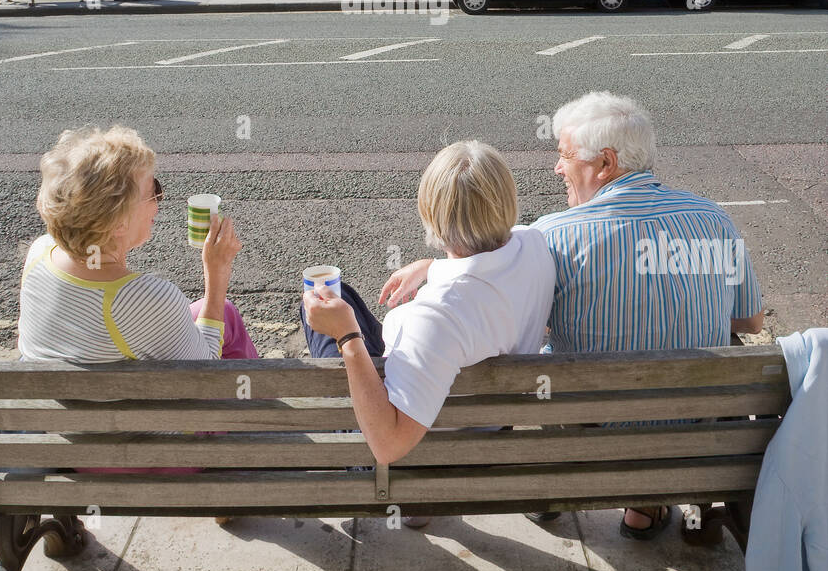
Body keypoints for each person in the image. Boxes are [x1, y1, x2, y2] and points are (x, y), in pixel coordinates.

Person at [386, 94, 764, 542]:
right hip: (700, 441)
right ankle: (643, 509)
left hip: (593, 439)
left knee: (552, 359)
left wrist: (432, 267)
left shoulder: (556, 237)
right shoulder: (713, 220)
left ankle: (552, 496)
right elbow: (751, 322)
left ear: (605, 163)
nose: (557, 168)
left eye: (564, 156)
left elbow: (502, 298)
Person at [301, 140, 556, 526]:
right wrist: (430, 266)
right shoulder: (536, 245)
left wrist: (347, 337)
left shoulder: (435, 317)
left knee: (320, 311)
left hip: (420, 457)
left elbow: (388, 446)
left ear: (432, 216)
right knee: (345, 295)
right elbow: (486, 258)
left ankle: (416, 501)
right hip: (490, 427)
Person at [19, 125, 256, 363]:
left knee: (225, 313)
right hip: (132, 400)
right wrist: (217, 273)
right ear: (119, 222)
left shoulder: (39, 251)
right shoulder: (145, 299)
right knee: (222, 311)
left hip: (49, 397)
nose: (158, 202)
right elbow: (206, 370)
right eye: (154, 191)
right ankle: (258, 398)